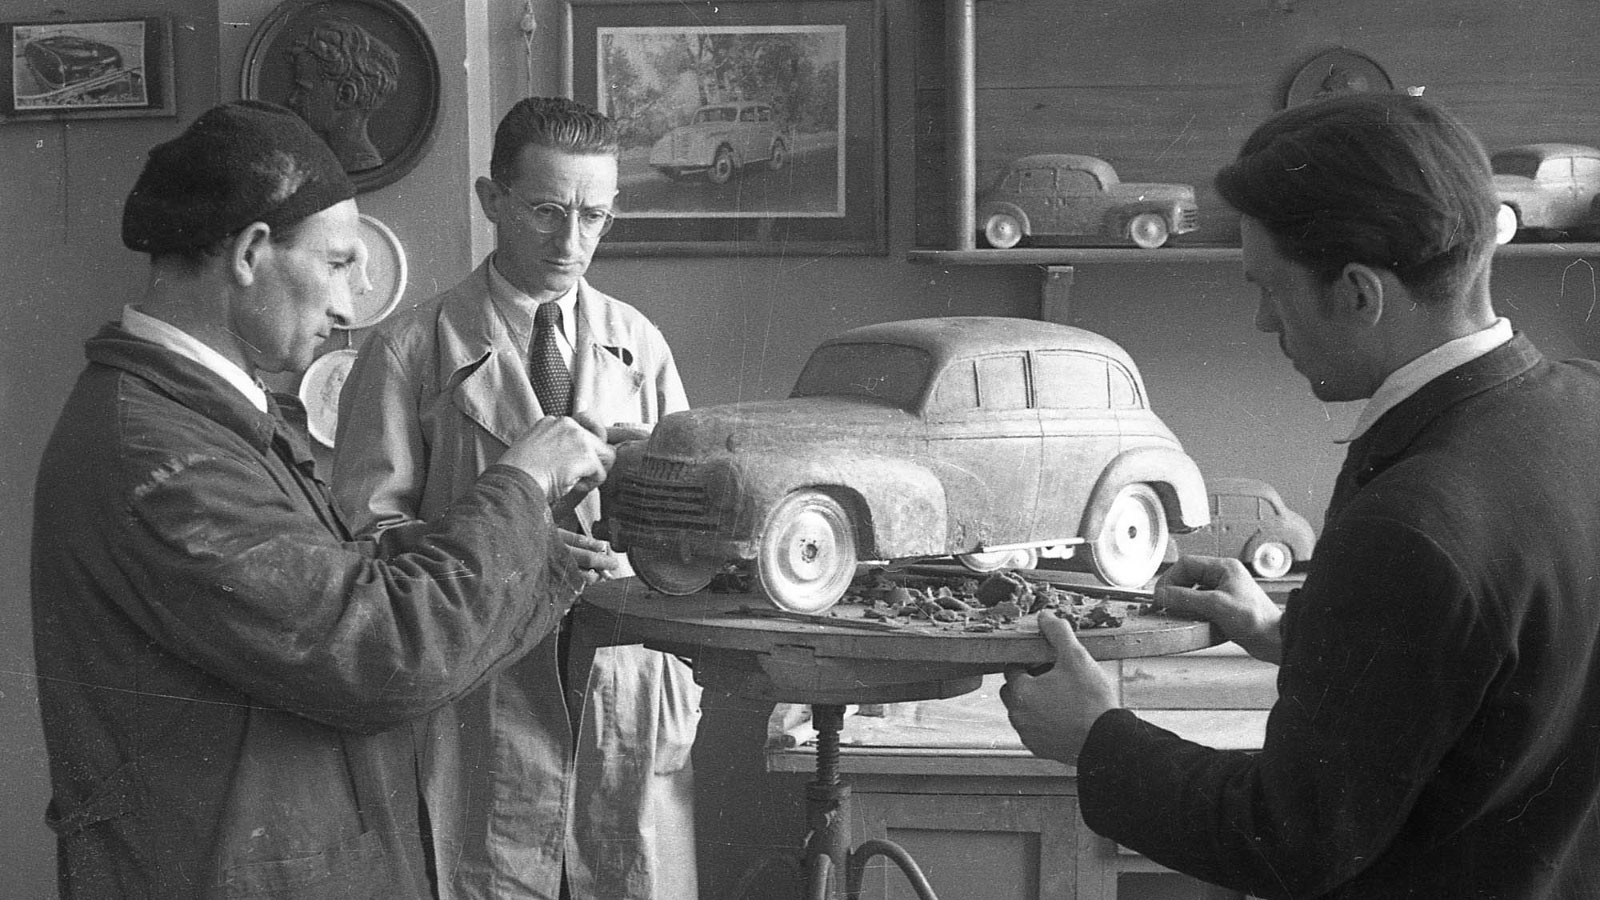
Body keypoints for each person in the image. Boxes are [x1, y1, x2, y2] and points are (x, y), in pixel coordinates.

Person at [1001, 91, 1600, 898]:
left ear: (1358, 293)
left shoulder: (1411, 524)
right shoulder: (1584, 405)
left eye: (1271, 288)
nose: (1262, 321)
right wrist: (1293, 635)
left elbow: (1290, 837)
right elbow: (1503, 669)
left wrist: (1096, 738)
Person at [30, 99, 619, 899]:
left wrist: (537, 554)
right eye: (340, 263)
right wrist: (521, 483)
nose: (353, 302)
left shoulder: (199, 417)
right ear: (250, 254)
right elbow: (381, 651)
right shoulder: (158, 452)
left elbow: (333, 580)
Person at [332, 96, 698, 900]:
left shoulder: (639, 344)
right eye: (546, 211)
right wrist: (516, 552)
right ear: (490, 200)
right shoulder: (408, 350)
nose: (571, 243)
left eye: (594, 217)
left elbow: (688, 531)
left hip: (617, 686)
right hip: (483, 687)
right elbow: (367, 547)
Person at [287, 18, 399, 172]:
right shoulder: (327, 160)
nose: (292, 100)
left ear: (345, 95)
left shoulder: (359, 165)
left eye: (302, 89)